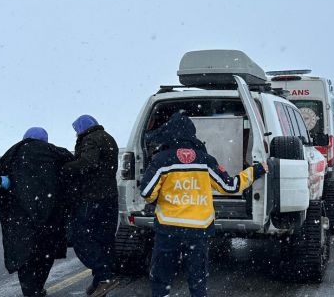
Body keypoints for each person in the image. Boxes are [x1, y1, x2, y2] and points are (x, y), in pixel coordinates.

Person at [140, 112, 268, 297]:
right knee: (197, 279)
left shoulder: (161, 160)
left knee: (162, 276)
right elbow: (230, 187)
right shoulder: (205, 160)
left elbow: (147, 193)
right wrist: (255, 170)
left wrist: (161, 199)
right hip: (198, 230)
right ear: (192, 134)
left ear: (169, 133)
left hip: (169, 229)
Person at [0, 127, 74, 297]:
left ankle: (30, 290)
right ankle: (38, 286)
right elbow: (74, 169)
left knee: (24, 255)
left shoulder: (14, 152)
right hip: (51, 214)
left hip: (20, 215)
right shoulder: (56, 152)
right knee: (45, 253)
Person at [62, 115, 120, 297]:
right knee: (103, 238)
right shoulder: (108, 137)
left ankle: (104, 276)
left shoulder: (90, 139)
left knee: (81, 237)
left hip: (92, 196)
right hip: (109, 196)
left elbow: (88, 162)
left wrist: (65, 167)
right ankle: (100, 280)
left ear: (81, 128)